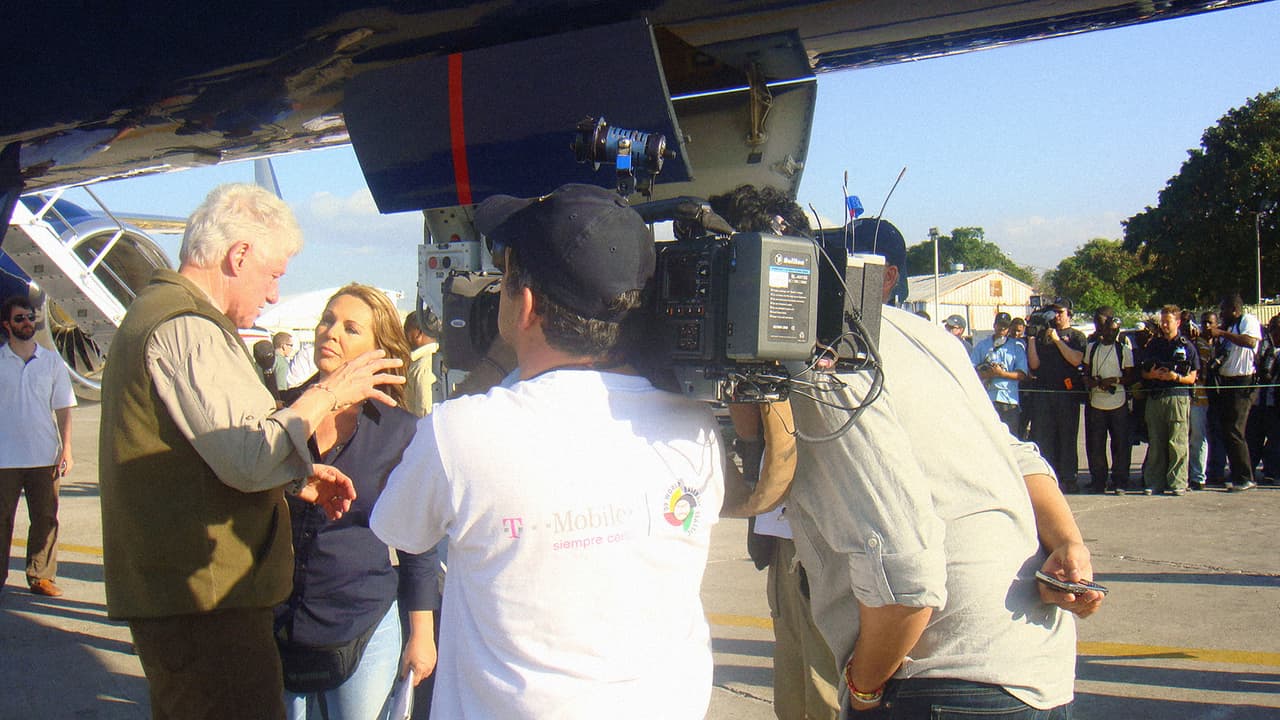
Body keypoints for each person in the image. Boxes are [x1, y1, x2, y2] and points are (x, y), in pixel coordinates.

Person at [370, 183, 730, 718]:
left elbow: (397, 527)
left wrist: (495, 361)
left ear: (526, 304)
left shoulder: (461, 432)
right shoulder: (694, 426)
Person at [731, 219, 1102, 718]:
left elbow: (906, 577)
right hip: (1033, 663)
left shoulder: (822, 361)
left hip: (943, 675)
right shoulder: (930, 338)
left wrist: (864, 688)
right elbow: (1016, 453)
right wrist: (1069, 543)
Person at [98, 183, 403, 720]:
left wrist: (294, 476)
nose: (274, 296)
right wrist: (328, 395)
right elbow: (249, 456)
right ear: (239, 256)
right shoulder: (187, 326)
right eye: (274, 274)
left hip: (190, 602)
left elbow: (210, 453)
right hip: (209, 607)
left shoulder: (161, 314)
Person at [708, 184, 841, 720]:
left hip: (827, 544)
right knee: (796, 689)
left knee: (823, 690)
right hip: (786, 540)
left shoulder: (822, 332)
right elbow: (754, 436)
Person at [276, 284, 438, 719]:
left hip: (361, 622)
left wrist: (421, 634)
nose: (330, 333)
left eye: (350, 328)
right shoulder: (282, 414)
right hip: (278, 621)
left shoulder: (401, 431)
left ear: (378, 350)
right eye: (327, 320)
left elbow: (417, 543)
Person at [0, 297, 75, 598]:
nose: (27, 323)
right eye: (19, 319)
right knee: (1, 520)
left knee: (45, 518)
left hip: (44, 455)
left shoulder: (52, 362)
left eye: (30, 318)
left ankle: (41, 576)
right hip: (4, 458)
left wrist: (66, 449)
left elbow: (64, 407)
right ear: (7, 324)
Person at [1139, 305, 1200, 496]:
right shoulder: (1153, 345)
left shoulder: (1186, 345)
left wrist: (1175, 377)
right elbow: (1143, 372)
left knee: (1177, 442)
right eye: (1162, 322)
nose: (1164, 325)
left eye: (1168, 321)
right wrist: (1152, 375)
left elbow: (1192, 377)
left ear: (1178, 322)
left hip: (1177, 396)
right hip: (1156, 396)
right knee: (1156, 442)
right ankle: (1154, 482)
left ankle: (1178, 482)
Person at [1027, 299, 1087, 491]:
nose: (1057, 316)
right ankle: (1049, 477)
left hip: (1066, 393)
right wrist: (1032, 339)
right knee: (1045, 437)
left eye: (1060, 312)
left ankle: (1069, 477)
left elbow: (1076, 359)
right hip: (1044, 392)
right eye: (1054, 312)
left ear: (1069, 314)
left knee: (1067, 436)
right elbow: (1034, 364)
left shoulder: (1076, 336)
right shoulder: (1043, 335)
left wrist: (1057, 340)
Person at [1209, 292, 1262, 492]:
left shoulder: (1247, 321)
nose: (1221, 313)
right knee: (1227, 430)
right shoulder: (1230, 327)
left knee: (1235, 429)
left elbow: (1250, 342)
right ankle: (1237, 473)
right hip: (1227, 382)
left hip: (1243, 381)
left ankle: (1246, 477)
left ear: (1234, 309)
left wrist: (1222, 333)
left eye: (1223, 309)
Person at [1082, 307, 1136, 494]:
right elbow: (1085, 373)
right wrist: (1092, 382)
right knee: (1096, 444)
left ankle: (1120, 480)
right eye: (1107, 328)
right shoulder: (1092, 348)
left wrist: (1114, 381)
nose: (1110, 332)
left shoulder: (1123, 350)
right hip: (1096, 402)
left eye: (1114, 330)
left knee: (1120, 443)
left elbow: (1130, 376)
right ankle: (1098, 480)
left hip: (1118, 402)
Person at [971, 311, 1028, 435]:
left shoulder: (1016, 347)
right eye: (1000, 325)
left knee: (1010, 438)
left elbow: (1022, 374)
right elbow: (971, 372)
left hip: (1009, 401)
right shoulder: (982, 346)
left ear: (1009, 328)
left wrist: (1001, 374)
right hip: (987, 399)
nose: (1002, 328)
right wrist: (988, 374)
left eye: (1005, 326)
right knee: (988, 436)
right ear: (994, 325)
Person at [1246, 314, 1280, 485]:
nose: (1274, 334)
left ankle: (1271, 471)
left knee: (1274, 440)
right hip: (1258, 401)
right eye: (1272, 329)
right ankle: (1249, 470)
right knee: (1253, 438)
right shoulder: (1265, 348)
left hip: (1275, 403)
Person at [402, 307, 442, 417]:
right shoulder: (436, 360)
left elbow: (425, 412)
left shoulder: (424, 367)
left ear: (418, 333)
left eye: (406, 331)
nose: (404, 337)